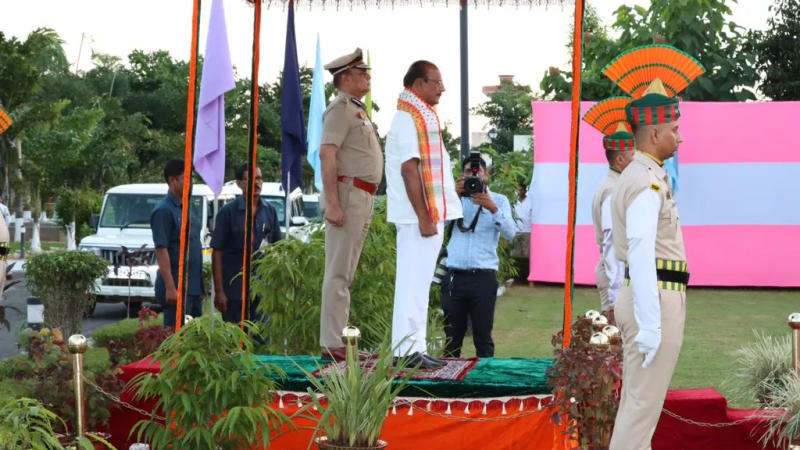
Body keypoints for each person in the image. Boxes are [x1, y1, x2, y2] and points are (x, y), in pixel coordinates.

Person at [604, 45, 704, 449]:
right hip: (656, 297)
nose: (680, 137)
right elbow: (643, 254)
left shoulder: (645, 175)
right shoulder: (646, 181)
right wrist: (650, 324)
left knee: (639, 405)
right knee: (642, 406)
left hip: (656, 295)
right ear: (655, 133)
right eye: (675, 129)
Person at [385, 60, 462, 370]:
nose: (441, 88)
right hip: (418, 216)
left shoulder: (424, 116)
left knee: (419, 285)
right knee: (411, 283)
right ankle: (404, 351)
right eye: (436, 82)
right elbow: (409, 168)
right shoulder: (407, 118)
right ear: (418, 84)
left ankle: (413, 346)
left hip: (428, 213)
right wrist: (423, 215)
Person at [318, 48, 383, 361]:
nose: (367, 77)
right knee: (338, 272)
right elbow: (327, 154)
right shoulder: (340, 109)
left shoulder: (355, 109)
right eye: (362, 72)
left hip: (361, 195)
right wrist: (333, 203)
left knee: (346, 272)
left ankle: (339, 339)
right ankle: (333, 343)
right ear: (345, 77)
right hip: (348, 193)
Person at [441, 155, 516, 358]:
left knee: (483, 337)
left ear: (486, 175)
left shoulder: (499, 200)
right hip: (455, 277)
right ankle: (448, 385)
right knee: (451, 338)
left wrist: (492, 208)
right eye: (467, 172)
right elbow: (438, 226)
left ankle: (486, 385)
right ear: (461, 175)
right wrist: (452, 198)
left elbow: (511, 233)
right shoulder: (454, 199)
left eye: (477, 172)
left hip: (483, 277)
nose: (472, 177)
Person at [583, 98, 637, 324]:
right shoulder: (613, 190)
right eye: (634, 155)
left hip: (618, 274)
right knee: (616, 339)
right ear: (621, 158)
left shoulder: (614, 185)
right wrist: (617, 293)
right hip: (615, 275)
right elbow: (612, 242)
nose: (637, 160)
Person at [211, 164, 281, 324]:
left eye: (259, 178)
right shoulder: (227, 213)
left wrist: (277, 288)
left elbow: (278, 249)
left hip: (263, 290)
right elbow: (217, 252)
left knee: (262, 340)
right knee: (235, 341)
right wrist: (219, 291)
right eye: (250, 179)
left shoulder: (270, 211)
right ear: (239, 184)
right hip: (234, 292)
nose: (257, 183)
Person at [150, 159, 204, 329]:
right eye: (187, 178)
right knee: (177, 340)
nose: (192, 183)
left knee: (195, 340)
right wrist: (170, 287)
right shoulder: (163, 210)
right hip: (176, 286)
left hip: (193, 287)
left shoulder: (187, 207)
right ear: (173, 180)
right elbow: (161, 250)